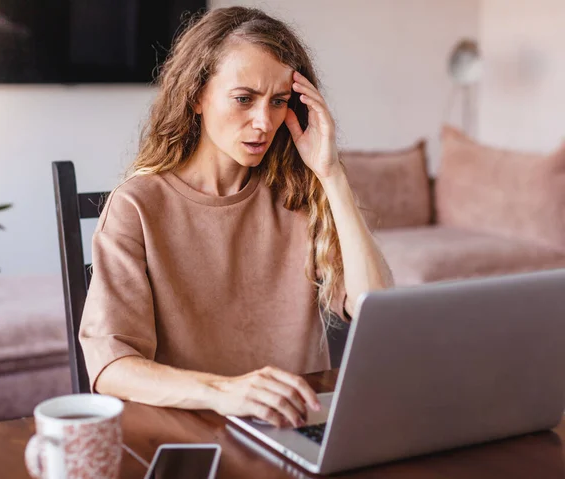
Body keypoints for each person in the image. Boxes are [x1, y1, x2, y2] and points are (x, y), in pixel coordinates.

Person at [80, 6, 393, 429]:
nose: (264, 122)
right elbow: (111, 366)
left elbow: (378, 306)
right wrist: (226, 392)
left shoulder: (297, 195)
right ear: (196, 96)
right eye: (244, 99)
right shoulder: (137, 206)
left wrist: (331, 173)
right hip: (192, 431)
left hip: (294, 428)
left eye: (279, 102)